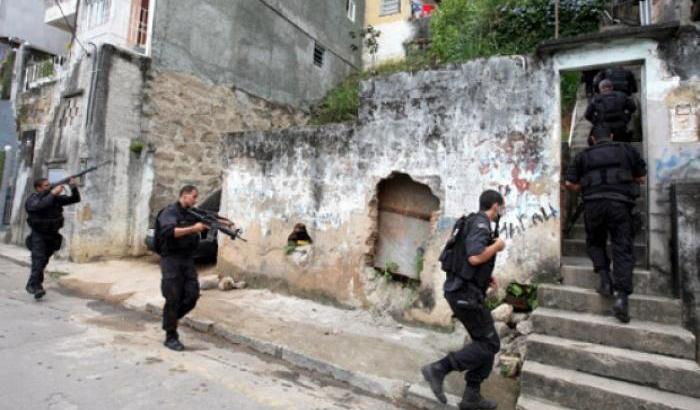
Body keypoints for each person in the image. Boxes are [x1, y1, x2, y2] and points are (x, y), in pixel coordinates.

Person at [422, 190, 506, 410]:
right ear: (495, 206)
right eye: (501, 207)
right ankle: (439, 369)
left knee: (485, 343)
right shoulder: (481, 224)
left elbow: (465, 262)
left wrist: (484, 277)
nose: (501, 212)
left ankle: (471, 397)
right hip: (465, 295)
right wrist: (497, 246)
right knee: (490, 343)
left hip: (463, 291)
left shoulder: (470, 221)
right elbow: (475, 256)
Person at [565, 126, 646, 323]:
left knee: (595, 242)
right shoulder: (626, 150)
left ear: (591, 139)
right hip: (620, 205)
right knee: (622, 248)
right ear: (611, 135)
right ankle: (621, 297)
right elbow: (641, 177)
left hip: (593, 205)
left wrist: (586, 185)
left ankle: (605, 280)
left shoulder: (583, 156)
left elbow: (569, 183)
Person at [156, 185, 209, 351]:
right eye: (194, 196)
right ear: (184, 195)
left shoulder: (192, 213)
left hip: (187, 259)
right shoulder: (169, 212)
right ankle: (171, 336)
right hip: (171, 259)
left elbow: (202, 227)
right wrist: (193, 229)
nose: (195, 200)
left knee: (192, 294)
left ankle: (169, 319)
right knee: (173, 297)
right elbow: (169, 232)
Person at [25, 177, 80, 300]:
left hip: (52, 235)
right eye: (46, 185)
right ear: (38, 188)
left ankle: (37, 285)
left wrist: (73, 187)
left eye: (49, 185)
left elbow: (75, 199)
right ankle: (32, 285)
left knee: (43, 262)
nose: (49, 187)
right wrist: (53, 193)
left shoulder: (55, 199)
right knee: (38, 260)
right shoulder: (33, 199)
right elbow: (39, 206)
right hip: (38, 235)